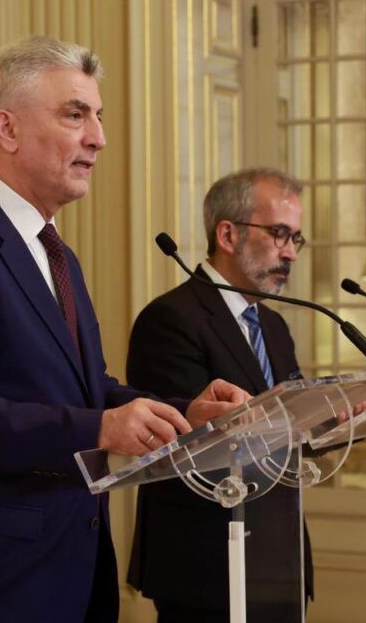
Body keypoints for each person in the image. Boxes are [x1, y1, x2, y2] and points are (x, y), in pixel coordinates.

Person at [0, 36, 250, 623]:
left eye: (98, 116)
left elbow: (85, 392)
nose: (98, 137)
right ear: (8, 130)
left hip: (63, 575)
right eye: (74, 115)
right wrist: (101, 426)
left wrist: (185, 415)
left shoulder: (55, 251)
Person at [126, 168, 312, 623]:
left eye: (296, 239)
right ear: (227, 233)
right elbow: (178, 445)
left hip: (277, 554)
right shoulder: (170, 319)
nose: (290, 252)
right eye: (279, 234)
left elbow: (291, 426)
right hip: (205, 561)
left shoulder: (273, 325)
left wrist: (337, 418)